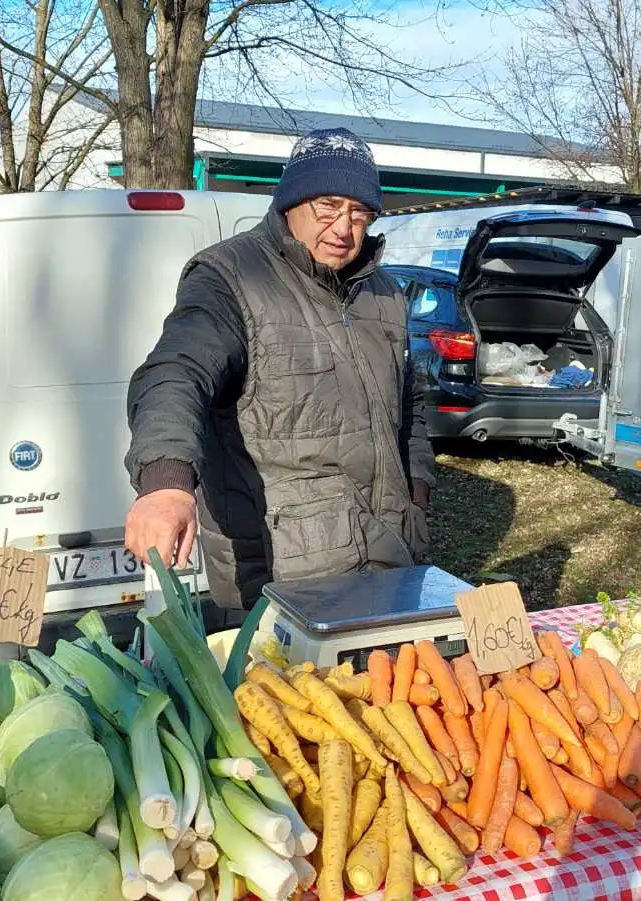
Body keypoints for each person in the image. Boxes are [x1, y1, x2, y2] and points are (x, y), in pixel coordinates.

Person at [123, 127, 435, 608]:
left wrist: (417, 495)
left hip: (393, 557)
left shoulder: (385, 293)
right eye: (327, 206)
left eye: (359, 212)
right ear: (291, 201)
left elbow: (408, 403)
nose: (343, 228)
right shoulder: (231, 276)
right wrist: (165, 485)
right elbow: (176, 372)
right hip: (287, 572)